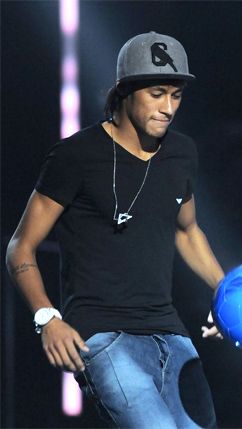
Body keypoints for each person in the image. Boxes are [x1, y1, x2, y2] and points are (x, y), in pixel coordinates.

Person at [5, 31, 225, 428]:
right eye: (157, 94)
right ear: (124, 90)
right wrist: (47, 318)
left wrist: (224, 293)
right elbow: (20, 247)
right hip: (104, 337)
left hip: (171, 335)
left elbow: (188, 231)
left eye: (176, 96)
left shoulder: (182, 153)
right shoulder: (75, 156)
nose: (168, 107)